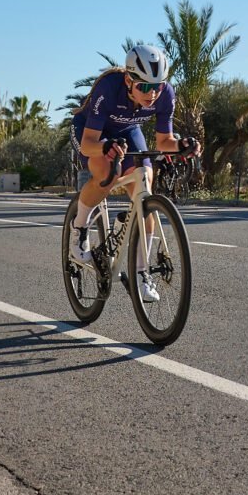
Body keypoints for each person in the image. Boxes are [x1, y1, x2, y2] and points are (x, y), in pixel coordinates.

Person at [69, 44, 200, 303]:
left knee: (145, 190)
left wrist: (182, 145)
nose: (152, 94)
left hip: (128, 132)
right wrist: (105, 147)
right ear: (129, 81)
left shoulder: (165, 95)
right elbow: (87, 145)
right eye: (145, 87)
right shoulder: (108, 89)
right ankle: (80, 227)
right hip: (93, 133)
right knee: (107, 176)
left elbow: (164, 142)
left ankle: (141, 274)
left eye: (158, 86)